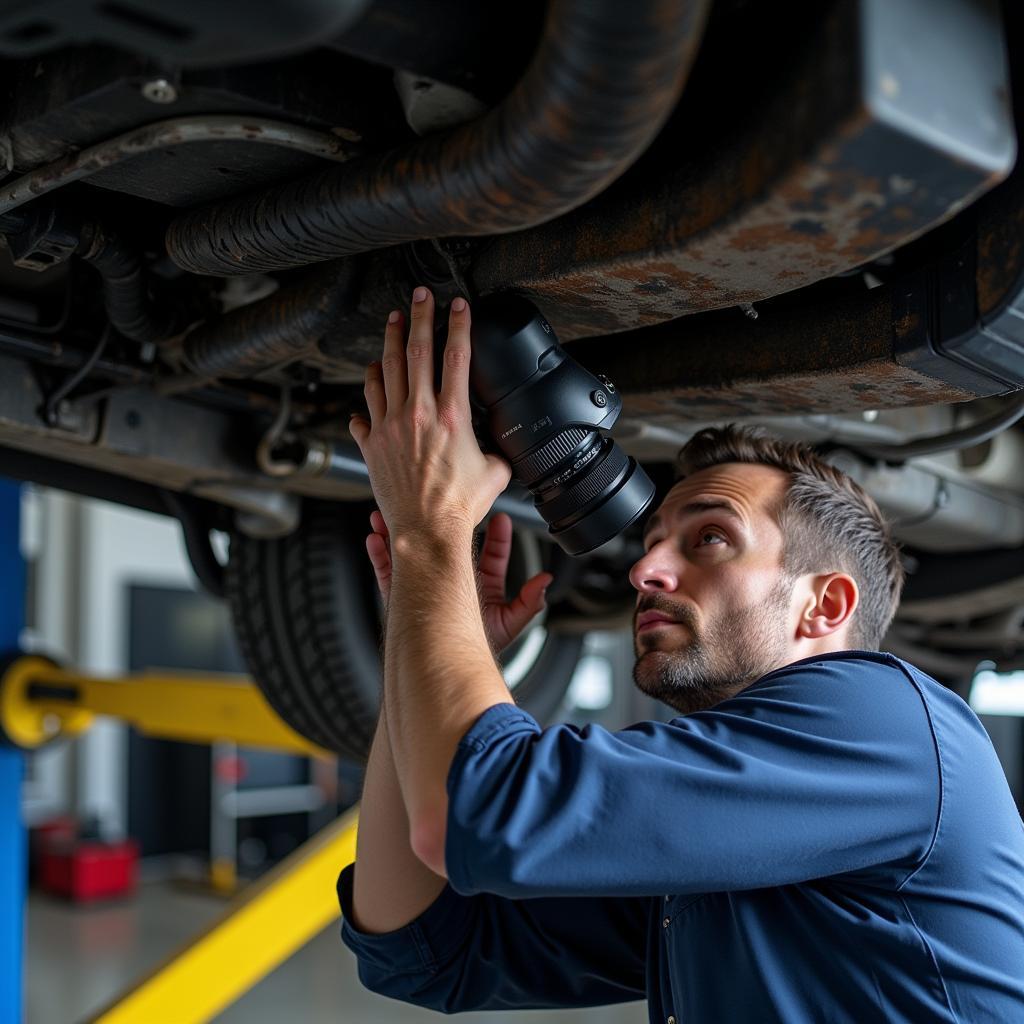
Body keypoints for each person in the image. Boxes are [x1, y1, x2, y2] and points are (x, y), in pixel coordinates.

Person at [341, 285, 1024, 1023]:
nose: (644, 572)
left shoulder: (892, 723)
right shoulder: (736, 839)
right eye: (652, 543)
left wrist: (432, 532)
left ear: (824, 606)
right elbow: (424, 950)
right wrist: (429, 617)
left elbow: (482, 815)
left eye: (710, 538)